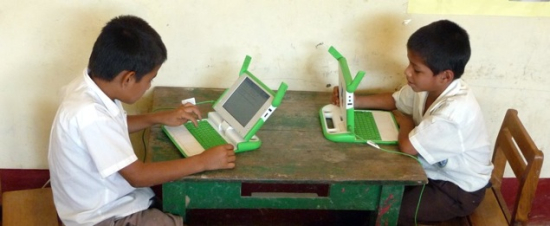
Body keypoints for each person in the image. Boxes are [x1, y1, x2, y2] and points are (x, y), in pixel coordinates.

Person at [48, 15, 236, 226]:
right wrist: (203, 161)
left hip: (108, 201)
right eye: (149, 79)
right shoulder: (89, 114)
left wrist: (159, 117)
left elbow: (113, 126)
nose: (149, 86)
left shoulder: (89, 85)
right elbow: (138, 176)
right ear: (128, 78)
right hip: (101, 218)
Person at [332, 20, 493, 225]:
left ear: (445, 76)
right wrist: (353, 101)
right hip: (429, 172)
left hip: (456, 190)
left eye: (416, 69)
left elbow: (407, 147)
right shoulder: (426, 87)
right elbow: (395, 100)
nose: (407, 72)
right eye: (409, 63)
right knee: (366, 194)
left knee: (389, 209)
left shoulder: (453, 114)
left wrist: (406, 122)